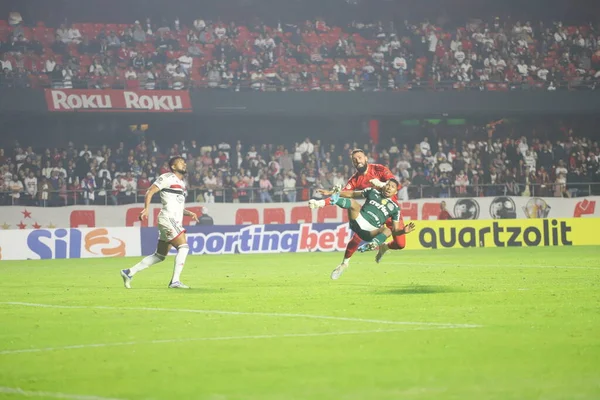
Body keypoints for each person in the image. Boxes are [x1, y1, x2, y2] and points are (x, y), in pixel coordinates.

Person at [314, 149, 407, 279]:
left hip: (390, 212)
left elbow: (396, 185)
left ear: (366, 158)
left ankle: (384, 248)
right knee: (357, 236)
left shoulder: (379, 169)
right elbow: (348, 193)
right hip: (373, 211)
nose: (357, 161)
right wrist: (331, 193)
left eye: (359, 157)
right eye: (354, 160)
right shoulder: (355, 179)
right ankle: (344, 263)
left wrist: (380, 184)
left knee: (401, 245)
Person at [120, 156, 198, 289]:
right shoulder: (167, 177)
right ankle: (175, 281)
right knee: (183, 247)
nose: (184, 164)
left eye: (185, 162)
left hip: (172, 219)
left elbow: (176, 205)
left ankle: (129, 272)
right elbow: (150, 191)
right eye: (181, 162)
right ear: (173, 167)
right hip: (168, 218)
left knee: (160, 255)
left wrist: (189, 213)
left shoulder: (182, 184)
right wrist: (146, 208)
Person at [309, 179, 415, 271]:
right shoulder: (372, 192)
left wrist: (403, 231)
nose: (388, 188)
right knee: (353, 203)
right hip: (358, 220)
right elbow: (352, 194)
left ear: (395, 192)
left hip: (369, 231)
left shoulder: (395, 209)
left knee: (387, 230)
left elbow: (396, 230)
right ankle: (320, 203)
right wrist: (330, 192)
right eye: (387, 185)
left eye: (392, 187)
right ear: (384, 186)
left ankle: (373, 245)